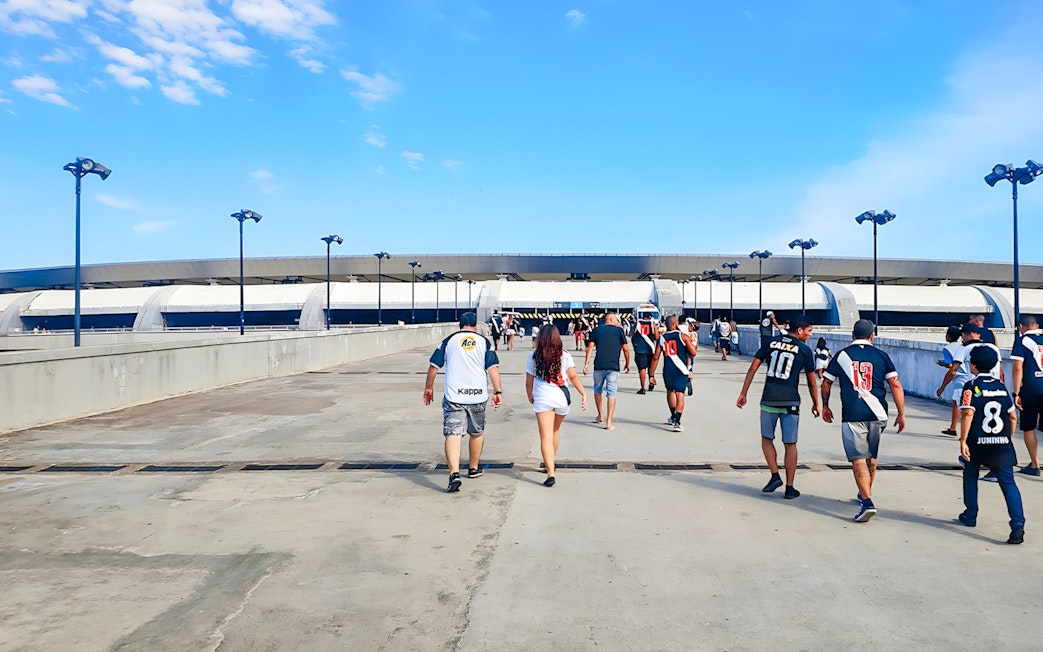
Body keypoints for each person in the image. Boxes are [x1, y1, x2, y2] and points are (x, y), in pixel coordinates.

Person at [821, 319, 907, 523]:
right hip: (878, 414)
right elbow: (895, 384)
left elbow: (826, 383)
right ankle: (865, 493)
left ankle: (867, 502)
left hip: (853, 413)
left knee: (858, 459)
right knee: (871, 457)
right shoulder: (881, 355)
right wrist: (901, 413)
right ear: (872, 336)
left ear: (852, 335)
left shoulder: (842, 355)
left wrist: (825, 406)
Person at [737, 315, 820, 498]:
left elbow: (753, 368)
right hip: (791, 401)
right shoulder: (804, 350)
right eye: (809, 331)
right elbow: (812, 381)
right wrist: (816, 403)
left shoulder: (770, 342)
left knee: (767, 438)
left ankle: (775, 475)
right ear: (799, 331)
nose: (810, 335)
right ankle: (790, 487)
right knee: (790, 444)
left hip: (768, 400)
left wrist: (744, 393)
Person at [423, 312, 503, 493]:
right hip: (477, 396)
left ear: (460, 325)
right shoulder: (484, 342)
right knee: (476, 432)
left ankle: (454, 473)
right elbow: (492, 369)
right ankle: (473, 468)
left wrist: (428, 388)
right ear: (475, 326)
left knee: (453, 433)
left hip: (454, 396)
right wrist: (498, 391)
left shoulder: (449, 341)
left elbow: (433, 366)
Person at [957, 345, 1025, 544]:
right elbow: (1013, 417)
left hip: (977, 441)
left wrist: (963, 440)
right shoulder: (1002, 387)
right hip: (1001, 444)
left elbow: (968, 412)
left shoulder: (970, 386)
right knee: (1008, 482)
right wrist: (1007, 438)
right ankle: (1017, 525)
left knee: (970, 475)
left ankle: (971, 514)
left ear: (974, 365)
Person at [525, 324, 588, 487]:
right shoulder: (565, 355)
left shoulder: (533, 356)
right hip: (562, 397)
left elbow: (528, 382)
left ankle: (550, 472)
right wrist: (584, 393)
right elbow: (573, 376)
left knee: (545, 436)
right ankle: (550, 462)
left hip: (543, 398)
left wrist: (530, 396)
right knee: (555, 430)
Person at [649, 315, 698, 431]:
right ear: (675, 324)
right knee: (680, 394)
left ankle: (672, 416)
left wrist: (651, 375)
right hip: (681, 370)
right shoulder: (683, 336)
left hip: (668, 370)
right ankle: (678, 421)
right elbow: (693, 352)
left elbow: (656, 357)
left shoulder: (662, 338)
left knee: (670, 391)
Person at [583, 312, 631, 430]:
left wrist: (586, 363)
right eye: (616, 320)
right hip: (613, 366)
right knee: (611, 393)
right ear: (610, 319)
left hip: (599, 365)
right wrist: (627, 363)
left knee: (597, 390)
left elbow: (590, 347)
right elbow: (625, 349)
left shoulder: (597, 330)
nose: (618, 322)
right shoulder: (619, 331)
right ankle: (609, 422)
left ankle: (600, 415)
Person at [1011, 314, 1043, 476]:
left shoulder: (1022, 341)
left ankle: (1035, 465)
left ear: (1020, 326)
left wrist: (1016, 393)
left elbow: (1018, 368)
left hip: (1031, 389)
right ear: (1036, 325)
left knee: (1029, 427)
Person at [937, 325, 963, 435]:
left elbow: (952, 368)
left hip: (960, 380)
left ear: (948, 336)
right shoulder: (963, 346)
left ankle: (953, 428)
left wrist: (941, 388)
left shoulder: (947, 349)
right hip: (972, 378)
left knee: (957, 403)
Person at [631, 313, 658, 393]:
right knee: (650, 367)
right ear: (650, 317)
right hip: (650, 349)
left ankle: (643, 388)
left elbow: (630, 334)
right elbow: (657, 337)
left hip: (640, 349)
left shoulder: (637, 323)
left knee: (642, 368)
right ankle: (651, 381)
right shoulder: (653, 324)